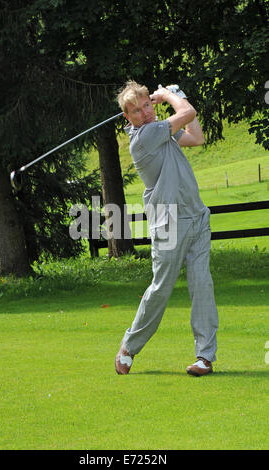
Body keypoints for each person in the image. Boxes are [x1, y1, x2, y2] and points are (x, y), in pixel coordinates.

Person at [115, 80, 219, 377]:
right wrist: (171, 96)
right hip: (169, 223)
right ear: (128, 118)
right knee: (160, 290)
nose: (144, 113)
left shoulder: (163, 133)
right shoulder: (145, 137)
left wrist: (178, 97)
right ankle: (129, 346)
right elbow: (187, 113)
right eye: (135, 111)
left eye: (147, 104)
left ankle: (205, 357)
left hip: (196, 217)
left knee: (202, 285)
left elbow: (196, 136)